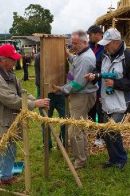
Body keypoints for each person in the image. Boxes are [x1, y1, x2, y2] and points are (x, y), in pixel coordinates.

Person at [0, 44, 49, 193]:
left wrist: (37, 100)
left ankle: (6, 176)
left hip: (10, 121)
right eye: (12, 59)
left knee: (11, 150)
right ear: (3, 59)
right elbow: (11, 100)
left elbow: (21, 93)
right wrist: (34, 104)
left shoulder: (9, 73)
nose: (15, 61)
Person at [85, 28, 130, 170]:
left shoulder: (129, 57)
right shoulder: (105, 54)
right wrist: (94, 76)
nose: (105, 47)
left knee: (112, 130)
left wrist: (116, 84)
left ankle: (121, 159)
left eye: (108, 44)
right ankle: (113, 159)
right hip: (106, 100)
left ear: (116, 43)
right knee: (106, 132)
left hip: (123, 101)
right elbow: (98, 69)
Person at [52, 30, 98, 170]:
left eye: (76, 43)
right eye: (72, 43)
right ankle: (81, 155)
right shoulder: (82, 54)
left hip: (81, 95)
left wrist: (61, 89)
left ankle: (80, 161)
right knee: (80, 128)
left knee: (75, 131)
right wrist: (69, 55)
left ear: (85, 42)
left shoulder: (85, 58)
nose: (73, 45)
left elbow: (78, 84)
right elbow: (76, 63)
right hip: (81, 95)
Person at [34, 52, 66, 149]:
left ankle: (63, 142)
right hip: (46, 93)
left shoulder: (61, 55)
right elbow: (39, 78)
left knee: (65, 118)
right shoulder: (40, 56)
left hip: (60, 92)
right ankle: (47, 145)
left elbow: (67, 72)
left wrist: (65, 87)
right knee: (46, 120)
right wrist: (44, 92)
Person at [87, 25, 105, 147]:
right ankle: (94, 129)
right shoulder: (89, 47)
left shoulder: (104, 48)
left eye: (91, 35)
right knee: (91, 111)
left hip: (101, 84)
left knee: (101, 111)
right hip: (89, 86)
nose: (89, 37)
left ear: (98, 34)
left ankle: (101, 136)